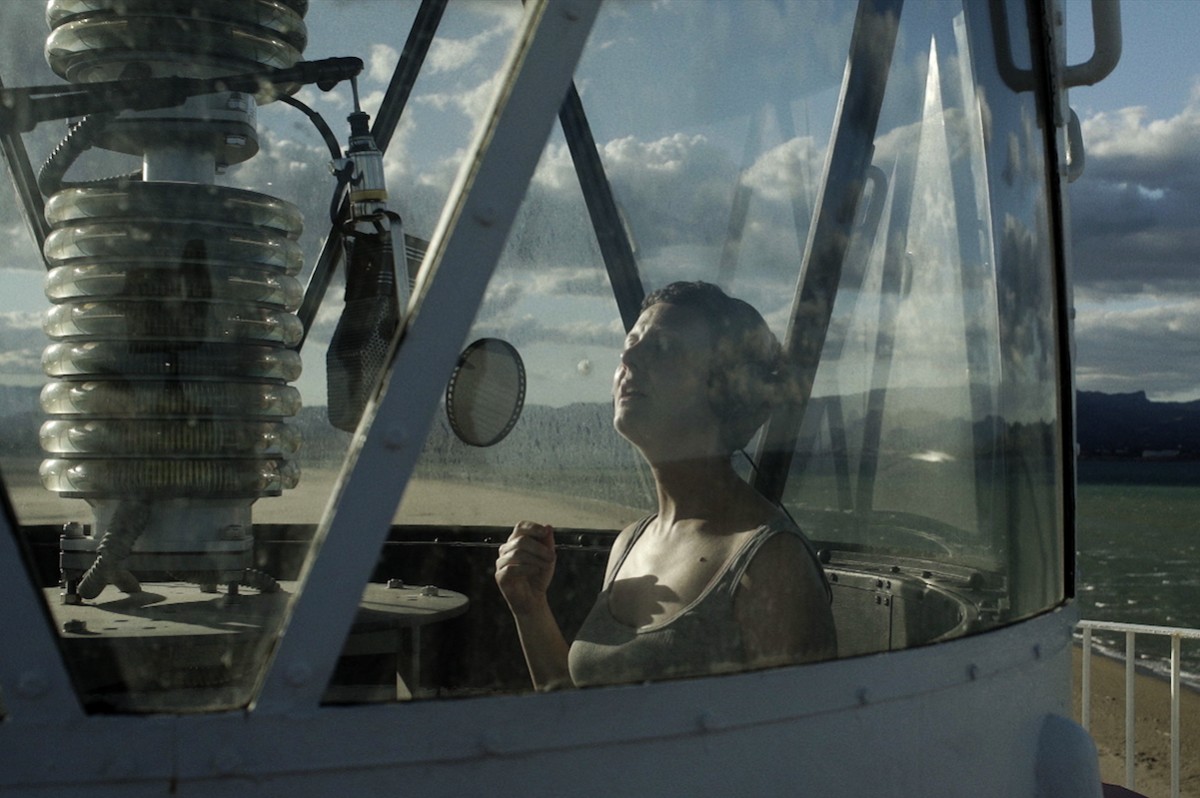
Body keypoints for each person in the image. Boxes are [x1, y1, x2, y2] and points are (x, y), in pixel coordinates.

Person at [495, 281, 837, 689]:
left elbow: (802, 724)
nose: (627, 357)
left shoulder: (772, 562)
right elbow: (580, 713)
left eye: (662, 348)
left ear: (724, 388)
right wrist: (530, 608)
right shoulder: (630, 543)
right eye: (630, 343)